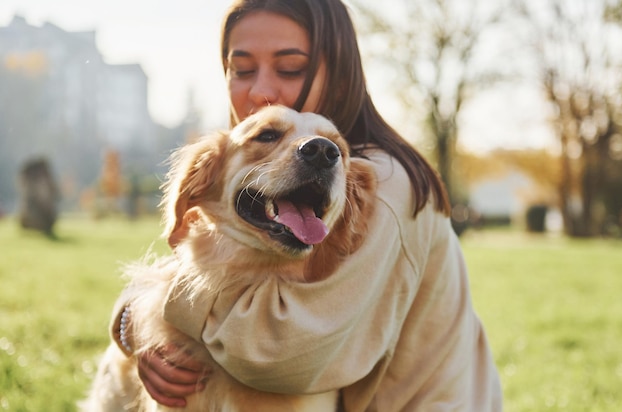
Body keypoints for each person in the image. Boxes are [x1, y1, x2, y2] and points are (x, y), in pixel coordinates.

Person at [109, 0, 503, 410]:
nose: (261, 90)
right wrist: (132, 322)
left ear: (341, 73)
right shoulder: (253, 173)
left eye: (290, 68)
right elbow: (205, 261)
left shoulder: (384, 184)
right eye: (242, 70)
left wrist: (151, 311)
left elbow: (281, 354)